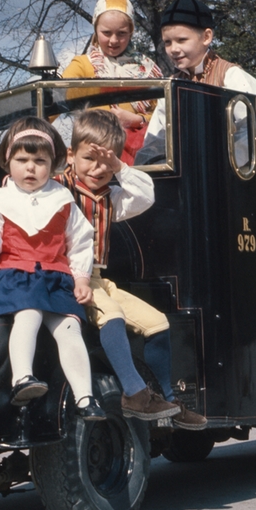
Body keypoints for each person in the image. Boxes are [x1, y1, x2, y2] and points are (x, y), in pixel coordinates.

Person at [60, 109, 207, 430]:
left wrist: (119, 167)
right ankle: (133, 392)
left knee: (157, 323)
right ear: (70, 155)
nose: (97, 169)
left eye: (105, 162)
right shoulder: (59, 189)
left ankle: (167, 401)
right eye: (89, 159)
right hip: (68, 276)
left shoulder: (109, 197)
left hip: (97, 276)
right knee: (111, 315)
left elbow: (145, 194)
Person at [0, 116, 105, 420]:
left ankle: (85, 397)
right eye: (22, 159)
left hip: (55, 276)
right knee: (28, 315)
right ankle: (22, 379)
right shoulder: (1, 199)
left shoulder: (62, 197)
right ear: (8, 161)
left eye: (40, 160)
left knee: (69, 327)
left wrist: (81, 279)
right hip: (16, 275)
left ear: (53, 163)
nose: (30, 168)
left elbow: (80, 241)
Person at [137, 0, 256, 163]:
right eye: (168, 42)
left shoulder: (231, 76)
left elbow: (254, 132)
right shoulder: (172, 85)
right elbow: (156, 137)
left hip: (224, 177)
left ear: (206, 37)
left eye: (182, 40)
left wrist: (222, 161)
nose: (174, 49)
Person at [60, 0, 163, 164]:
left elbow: (165, 115)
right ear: (95, 29)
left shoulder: (148, 69)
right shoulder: (83, 65)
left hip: (141, 160)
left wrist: (138, 120)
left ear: (131, 32)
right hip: (95, 160)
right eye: (106, 33)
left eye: (121, 33)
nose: (114, 40)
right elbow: (54, 99)